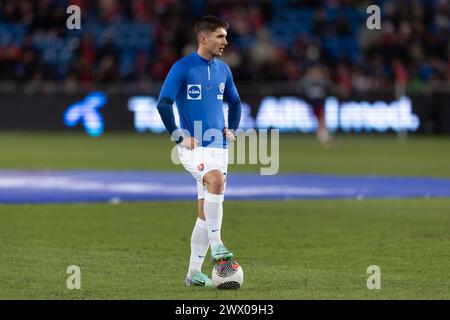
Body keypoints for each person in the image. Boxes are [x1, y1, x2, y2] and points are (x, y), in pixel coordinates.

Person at [156, 16, 242, 288]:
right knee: (215, 180)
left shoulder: (223, 71)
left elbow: (236, 102)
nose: (225, 42)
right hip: (193, 147)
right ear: (203, 38)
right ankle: (218, 246)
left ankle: (193, 273)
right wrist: (178, 134)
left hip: (220, 147)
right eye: (220, 36)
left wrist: (233, 128)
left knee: (205, 212)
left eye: (226, 36)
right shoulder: (182, 68)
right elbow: (163, 103)